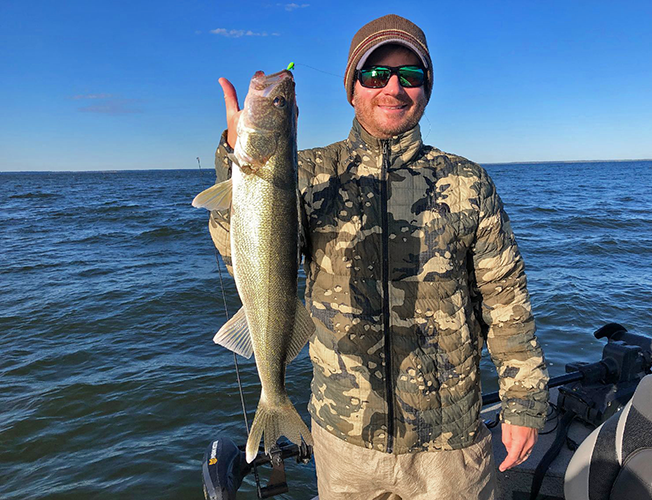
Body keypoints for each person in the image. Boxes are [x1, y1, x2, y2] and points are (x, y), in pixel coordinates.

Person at [209, 14, 549, 500]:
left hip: (450, 444)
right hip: (343, 441)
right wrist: (233, 155)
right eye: (375, 74)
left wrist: (523, 402)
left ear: (426, 91)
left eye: (410, 76)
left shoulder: (468, 183)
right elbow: (237, 249)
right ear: (352, 89)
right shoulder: (308, 174)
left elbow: (507, 301)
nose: (393, 87)